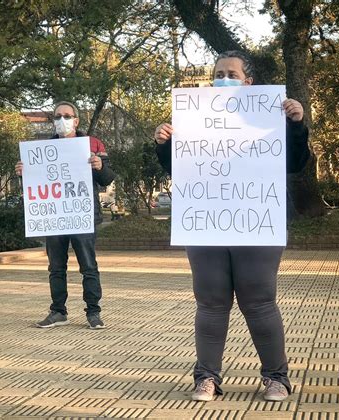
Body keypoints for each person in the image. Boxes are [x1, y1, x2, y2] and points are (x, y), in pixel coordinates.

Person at [154, 50, 310, 402]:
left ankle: (276, 378)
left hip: (256, 223)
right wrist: (164, 145)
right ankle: (206, 377)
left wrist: (297, 126)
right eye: (218, 73)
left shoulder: (271, 117)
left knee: (259, 300)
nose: (223, 79)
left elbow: (296, 164)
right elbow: (180, 170)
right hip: (206, 224)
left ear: (248, 82)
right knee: (210, 301)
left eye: (232, 74)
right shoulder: (194, 118)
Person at [16, 101, 116, 329]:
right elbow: (37, 184)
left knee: (88, 266)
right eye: (58, 116)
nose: (63, 120)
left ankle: (93, 312)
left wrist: (100, 165)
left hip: (83, 215)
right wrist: (24, 172)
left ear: (76, 120)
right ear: (53, 121)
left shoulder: (92, 145)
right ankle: (58, 311)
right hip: (54, 217)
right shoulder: (41, 151)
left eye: (67, 116)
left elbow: (107, 178)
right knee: (56, 267)